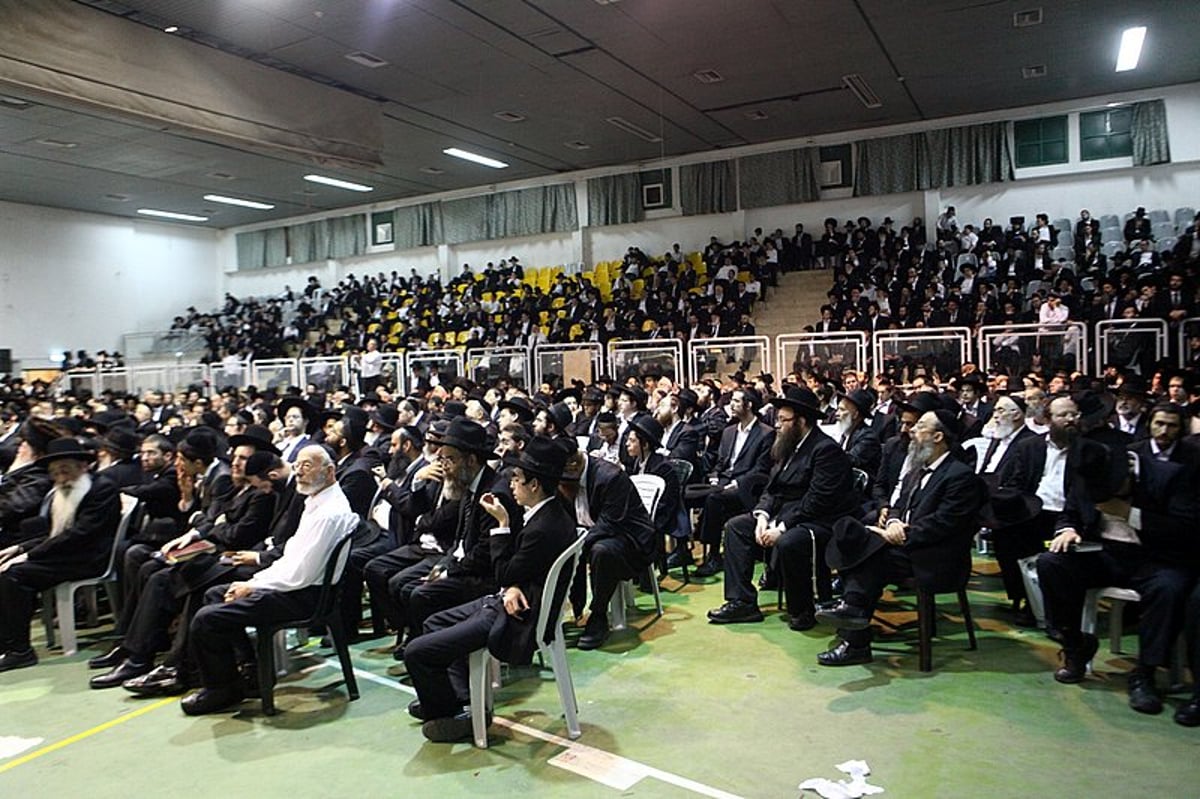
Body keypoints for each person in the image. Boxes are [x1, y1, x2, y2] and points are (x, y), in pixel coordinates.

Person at [404, 437, 577, 742]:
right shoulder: (548, 514)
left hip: (515, 618)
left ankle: (449, 715)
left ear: (534, 485)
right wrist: (510, 584)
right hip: (510, 600)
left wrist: (501, 524)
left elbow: (503, 573)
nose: (511, 484)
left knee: (417, 651)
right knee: (433, 622)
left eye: (517, 479)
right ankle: (457, 702)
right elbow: (514, 573)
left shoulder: (543, 527)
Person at [1038, 403, 1199, 714]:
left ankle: (1145, 673)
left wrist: (1130, 514)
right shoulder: (1093, 469)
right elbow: (1071, 511)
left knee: (1169, 588)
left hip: (1155, 557)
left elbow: (1186, 530)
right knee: (1051, 562)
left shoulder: (1171, 476)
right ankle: (1074, 645)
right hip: (1105, 552)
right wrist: (1067, 528)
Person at [181, 444, 359, 714]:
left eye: (307, 466)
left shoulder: (329, 512)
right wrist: (253, 582)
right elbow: (291, 557)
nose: (298, 471)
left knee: (206, 618)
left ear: (330, 471)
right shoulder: (316, 501)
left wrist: (252, 585)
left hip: (305, 597)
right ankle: (247, 673)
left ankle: (221, 689)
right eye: (297, 465)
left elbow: (301, 573)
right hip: (297, 587)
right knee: (214, 595)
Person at [815, 410, 986, 665]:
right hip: (906, 548)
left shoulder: (960, 476)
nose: (911, 432)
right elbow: (898, 505)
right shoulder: (917, 470)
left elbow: (944, 524)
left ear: (938, 436)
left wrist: (900, 534)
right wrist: (893, 522)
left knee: (868, 554)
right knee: (854, 538)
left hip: (937, 558)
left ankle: (853, 624)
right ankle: (853, 618)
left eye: (919, 427)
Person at [707, 386, 858, 630]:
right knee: (736, 527)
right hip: (784, 515)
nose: (777, 425)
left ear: (801, 421)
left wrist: (783, 526)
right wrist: (762, 516)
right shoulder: (787, 446)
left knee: (790, 542)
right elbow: (772, 488)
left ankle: (802, 610)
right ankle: (742, 601)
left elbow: (817, 500)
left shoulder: (825, 450)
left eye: (783, 420)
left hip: (819, 520)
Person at [0, 437, 121, 671]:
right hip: (65, 555)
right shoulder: (62, 492)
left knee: (13, 576)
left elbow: (79, 535)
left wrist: (29, 556)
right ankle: (7, 643)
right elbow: (54, 533)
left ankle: (20, 651)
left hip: (89, 558)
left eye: (65, 470)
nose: (60, 477)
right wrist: (19, 548)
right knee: (6, 567)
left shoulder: (101, 489)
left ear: (82, 466)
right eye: (55, 473)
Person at [563, 445, 656, 650]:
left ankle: (598, 615)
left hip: (628, 538)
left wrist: (577, 545)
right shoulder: (566, 478)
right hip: (592, 533)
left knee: (600, 551)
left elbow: (610, 523)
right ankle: (562, 613)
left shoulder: (610, 477)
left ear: (575, 465)